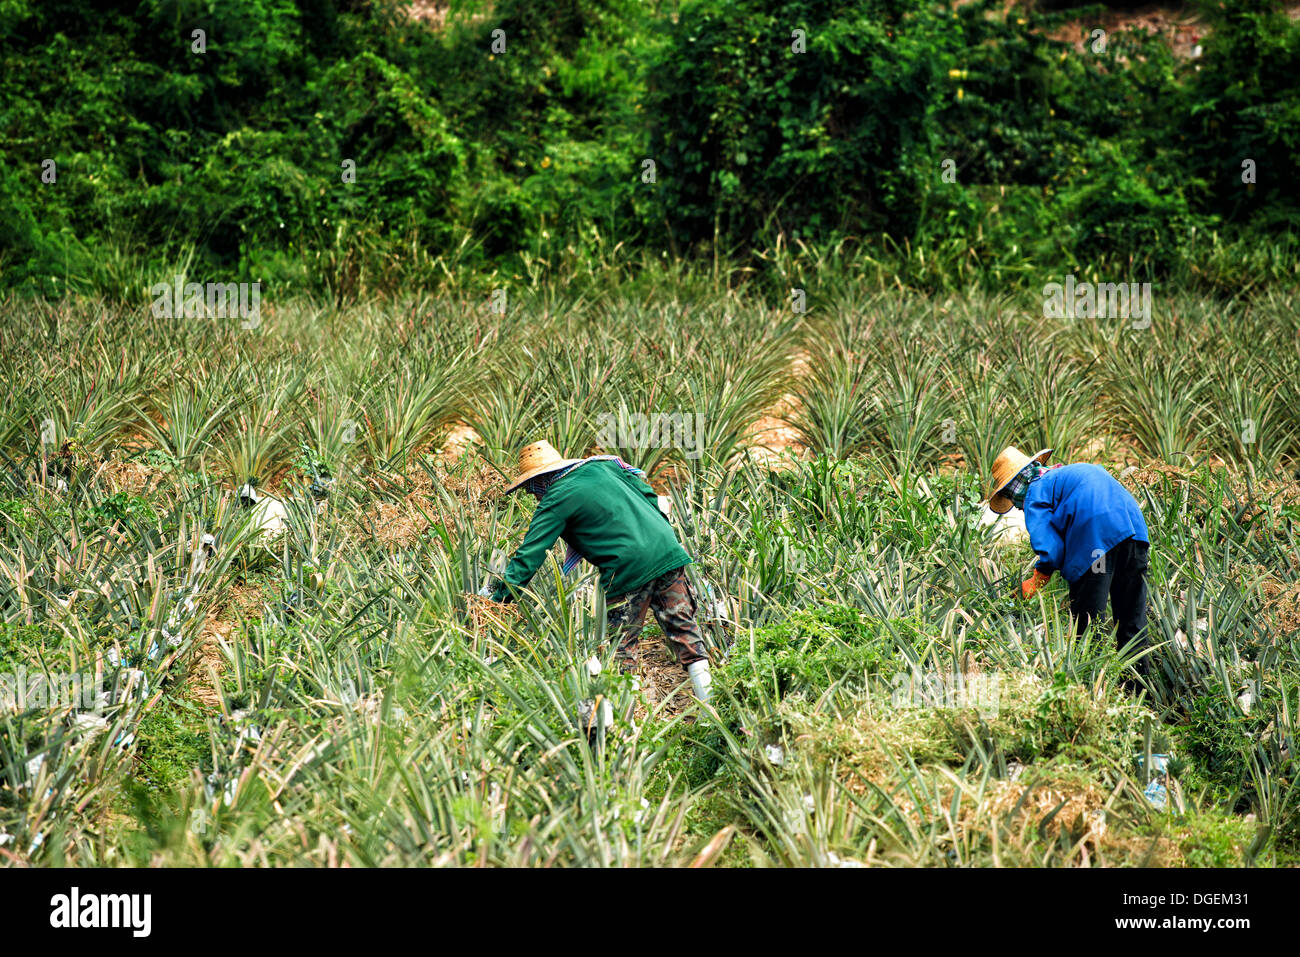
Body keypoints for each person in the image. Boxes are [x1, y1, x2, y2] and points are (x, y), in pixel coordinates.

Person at [484, 440, 712, 703]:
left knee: (621, 647)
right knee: (685, 631)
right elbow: (649, 495)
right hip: (668, 551)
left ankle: (629, 727)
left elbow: (529, 556)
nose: (534, 496)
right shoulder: (604, 468)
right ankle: (713, 712)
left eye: (531, 489)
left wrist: (498, 601)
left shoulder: (556, 497)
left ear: (541, 481)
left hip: (626, 566)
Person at [987, 446, 1152, 681]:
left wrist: (1038, 578)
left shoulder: (1035, 490)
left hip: (1096, 542)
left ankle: (1088, 690)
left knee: (1087, 623)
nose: (1017, 506)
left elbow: (1050, 548)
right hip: (1135, 534)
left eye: (1012, 500)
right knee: (1131, 620)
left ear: (1013, 490)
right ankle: (1140, 697)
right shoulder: (1067, 474)